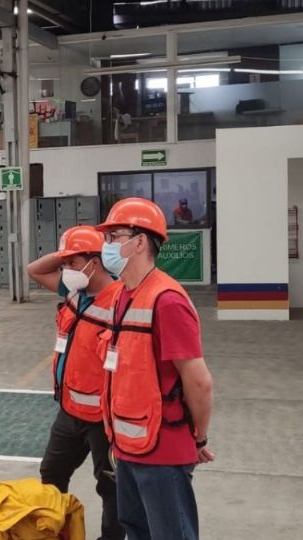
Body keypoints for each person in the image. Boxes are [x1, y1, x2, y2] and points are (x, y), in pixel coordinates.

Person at [95, 198, 215, 540]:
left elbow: (199, 382)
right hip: (128, 445)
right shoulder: (122, 294)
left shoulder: (167, 300)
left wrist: (198, 437)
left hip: (162, 450)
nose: (107, 246)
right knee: (136, 531)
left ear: (140, 241)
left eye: (114, 236)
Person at [27, 226, 124, 540]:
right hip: (69, 411)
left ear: (94, 262)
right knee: (51, 473)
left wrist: (78, 250)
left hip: (104, 418)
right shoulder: (73, 293)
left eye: (72, 262)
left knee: (111, 486)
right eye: (65, 264)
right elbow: (33, 270)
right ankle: (54, 531)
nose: (65, 269)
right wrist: (67, 251)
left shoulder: (120, 302)